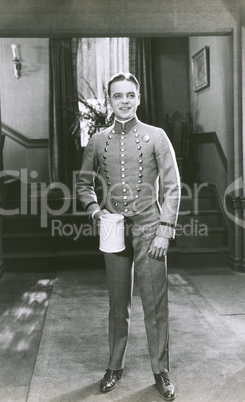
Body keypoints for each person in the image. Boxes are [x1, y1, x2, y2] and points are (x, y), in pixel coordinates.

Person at [76, 72, 181, 401]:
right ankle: (114, 365)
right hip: (114, 229)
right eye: (117, 95)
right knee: (117, 302)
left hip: (150, 226)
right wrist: (96, 211)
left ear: (138, 98)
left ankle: (161, 370)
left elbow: (173, 186)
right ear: (109, 101)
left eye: (130, 95)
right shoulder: (97, 140)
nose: (124, 100)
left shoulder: (157, 136)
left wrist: (165, 229)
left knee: (155, 303)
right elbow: (82, 184)